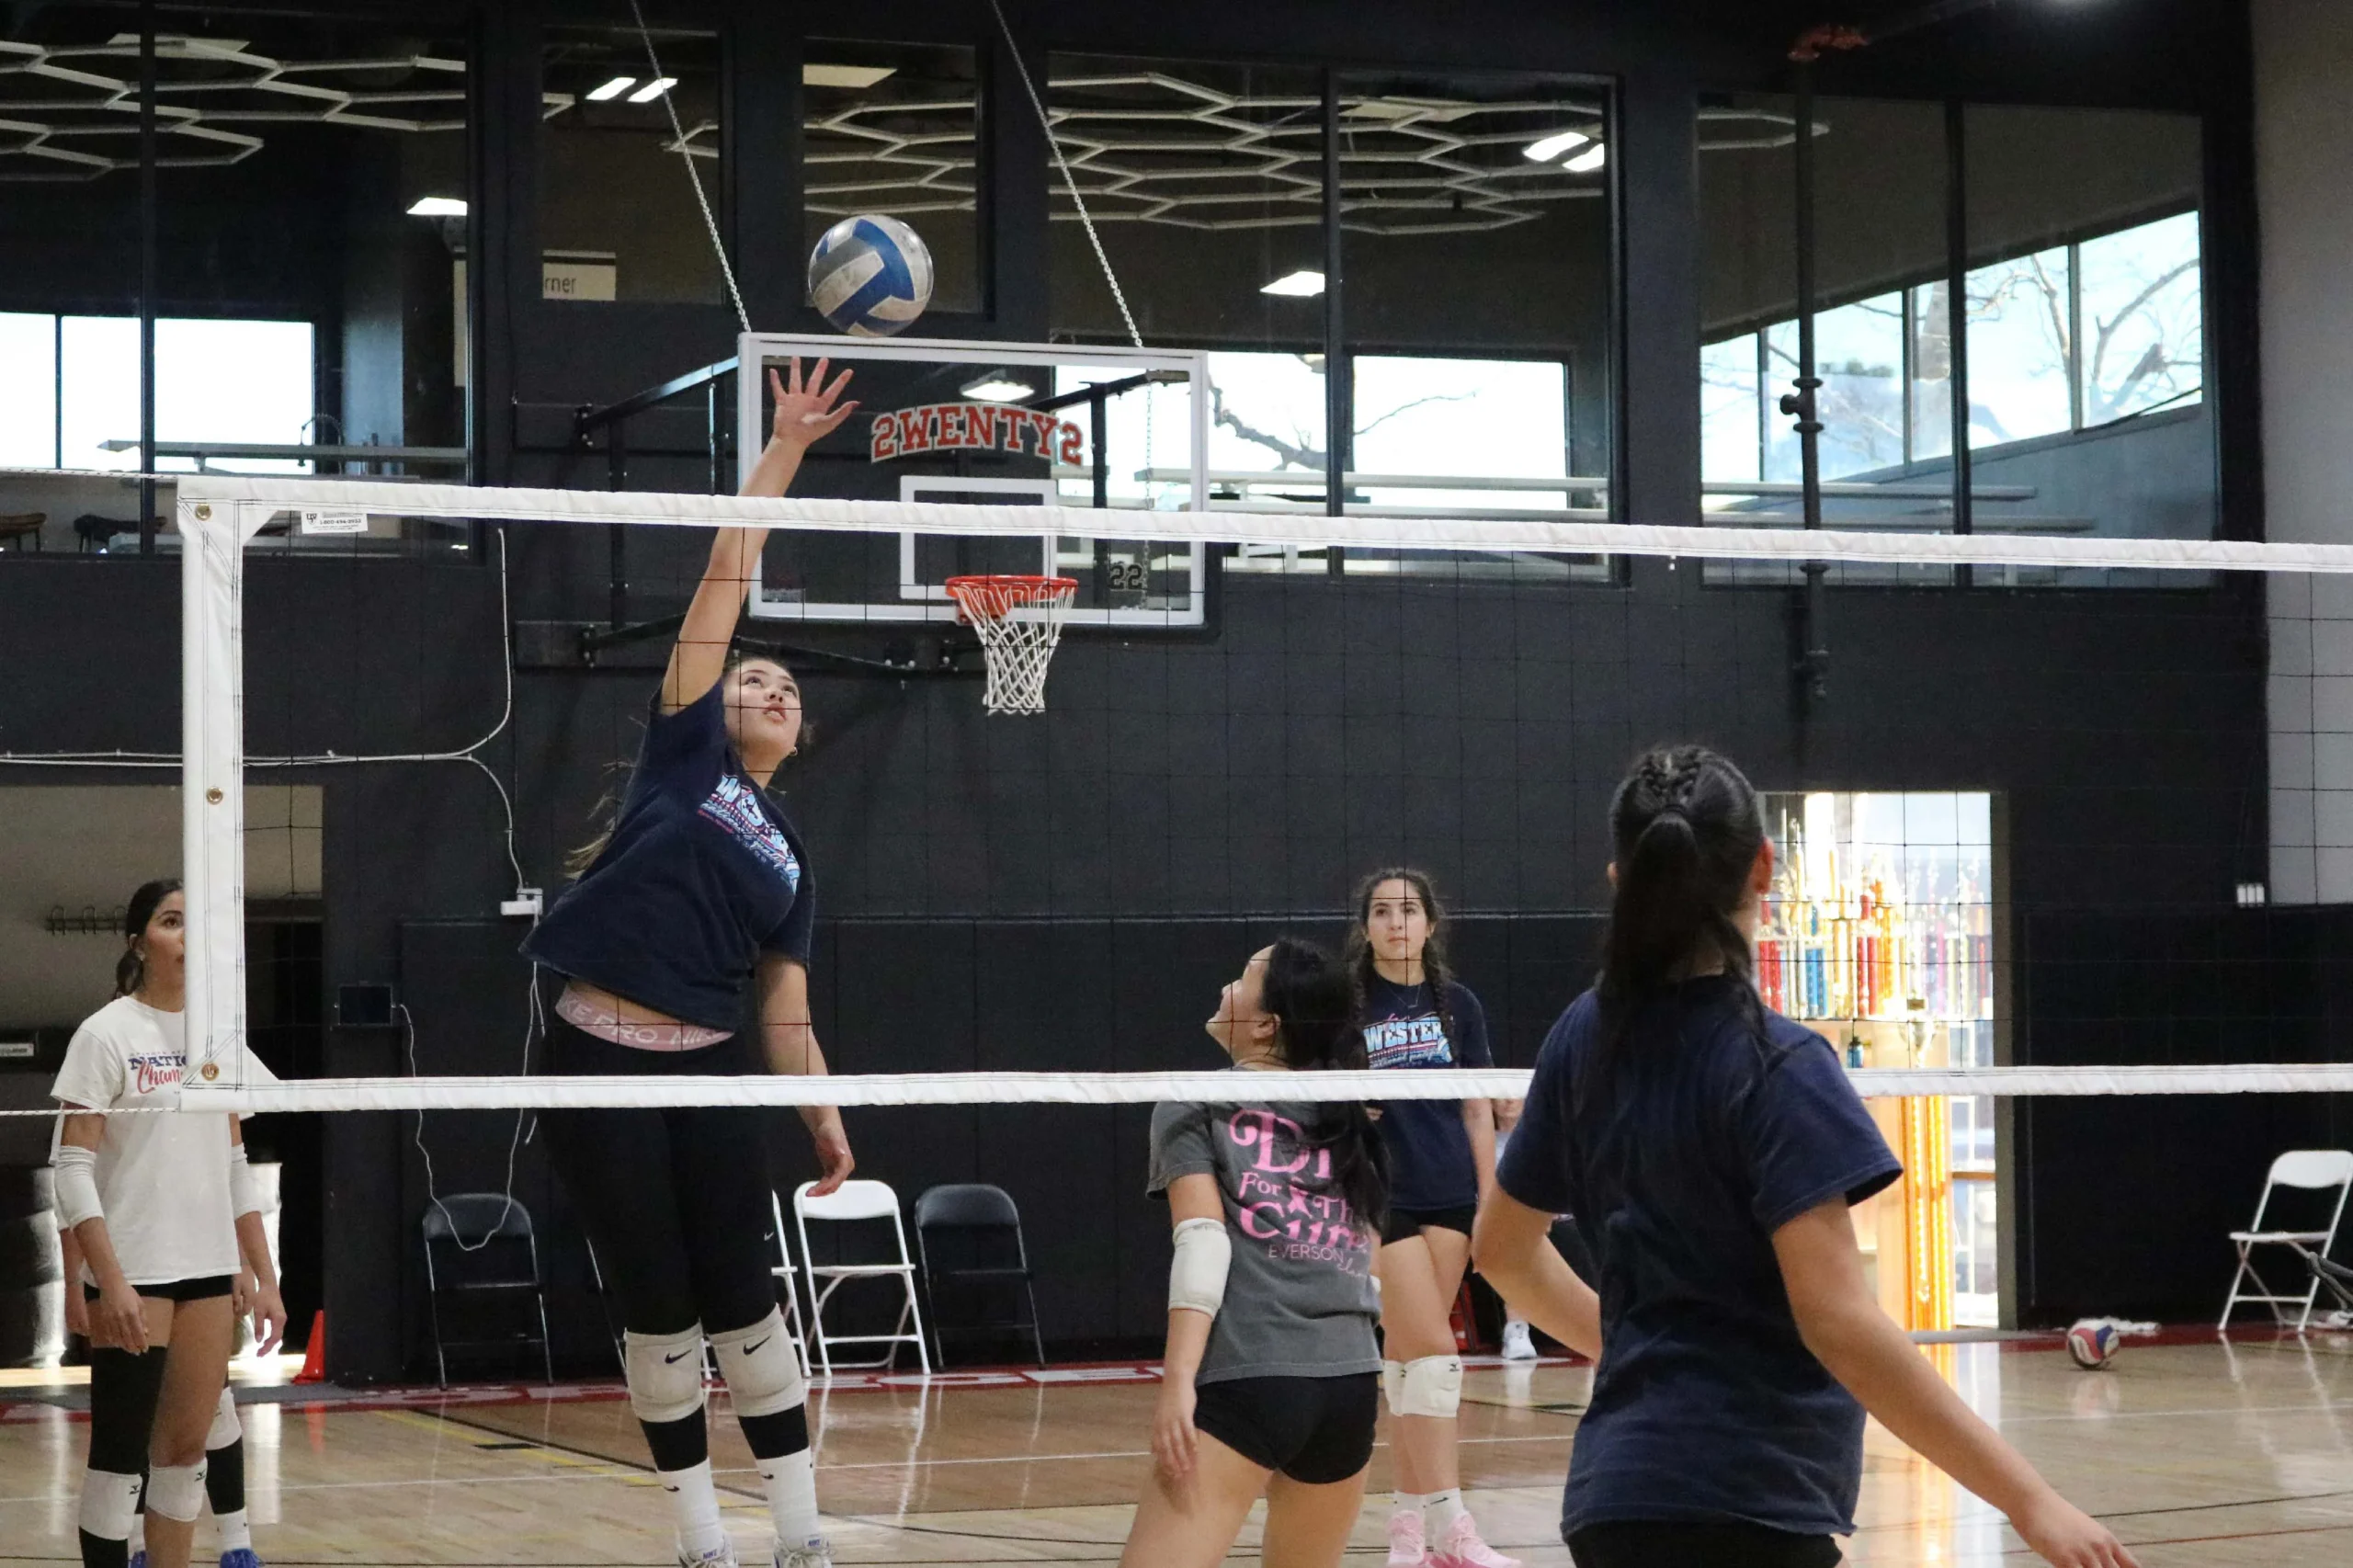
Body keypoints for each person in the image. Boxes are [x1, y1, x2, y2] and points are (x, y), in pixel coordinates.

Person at [1472, 745, 2139, 1568]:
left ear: (1621, 879)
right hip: (1743, 1509)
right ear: (1766, 867)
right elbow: (1841, 1325)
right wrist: (2031, 1501)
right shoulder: (1775, 1065)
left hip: (1614, 1502)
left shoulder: (1585, 1032)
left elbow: (1501, 1252)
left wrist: (1623, 1343)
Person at [521, 358, 859, 1568]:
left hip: (712, 1069)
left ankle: (803, 1534)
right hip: (595, 1062)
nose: (766, 686)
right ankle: (701, 1534)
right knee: (658, 1305)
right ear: (717, 705)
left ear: (798, 732)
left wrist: (821, 1113)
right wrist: (784, 452)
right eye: (753, 677)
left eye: (786, 687)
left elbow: (789, 1003)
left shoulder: (791, 857)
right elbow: (726, 575)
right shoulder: (686, 762)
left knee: (745, 1297)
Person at [1123, 938, 1388, 1568]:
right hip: (1350, 1385)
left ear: (1266, 1024)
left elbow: (1203, 1244)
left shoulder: (1192, 1098)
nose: (1225, 988)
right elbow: (1367, 1259)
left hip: (1252, 1379)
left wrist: (1179, 1381)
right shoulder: (1348, 1111)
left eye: (1242, 978)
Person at [51, 881, 288, 1568]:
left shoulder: (220, 1037)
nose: (185, 936)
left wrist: (264, 1275)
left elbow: (235, 1160)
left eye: (194, 924)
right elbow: (71, 1168)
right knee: (120, 1464)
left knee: (185, 1456)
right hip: (137, 1275)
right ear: (138, 941)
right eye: (170, 921)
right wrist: (108, 1282)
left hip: (209, 1273)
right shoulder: (105, 1034)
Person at [1347, 869, 1513, 1568]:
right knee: (1435, 1357)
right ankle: (1453, 1524)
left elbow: (1478, 1107)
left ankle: (1408, 1527)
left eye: (1408, 910)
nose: (1395, 922)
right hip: (1382, 1193)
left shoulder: (1460, 1006)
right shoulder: (1345, 1004)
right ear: (1367, 927)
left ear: (1430, 925)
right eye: (1381, 911)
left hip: (1449, 1190)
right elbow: (1315, 1098)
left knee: (1411, 1363)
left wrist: (1488, 1204)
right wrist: (1353, 1107)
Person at [63, 1227, 263, 1568]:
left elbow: (231, 1181)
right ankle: (139, 1543)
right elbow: (72, 1192)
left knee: (210, 1417)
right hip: (132, 1269)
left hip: (202, 1268)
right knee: (130, 1438)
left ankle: (237, 1544)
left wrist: (251, 1267)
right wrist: (75, 1284)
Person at [1486, 1100, 1538, 1363]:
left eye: (1513, 1094)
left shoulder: (1538, 1138)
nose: (1507, 1101)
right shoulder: (1483, 1140)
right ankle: (1516, 1329)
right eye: (1499, 1095)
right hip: (1490, 1217)